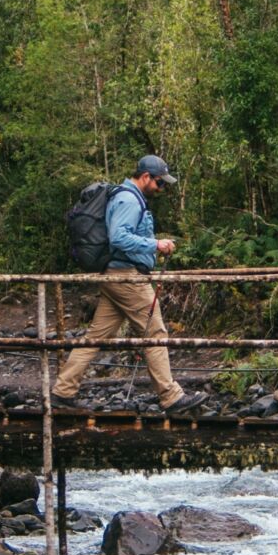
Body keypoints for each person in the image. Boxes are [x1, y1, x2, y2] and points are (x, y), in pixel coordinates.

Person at [52, 155, 208, 413]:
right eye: (160, 183)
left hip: (115, 275)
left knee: (95, 337)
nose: (162, 189)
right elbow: (119, 237)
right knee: (155, 333)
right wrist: (155, 244)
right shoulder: (128, 199)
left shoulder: (128, 197)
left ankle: (62, 391)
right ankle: (171, 397)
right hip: (126, 276)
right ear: (146, 177)